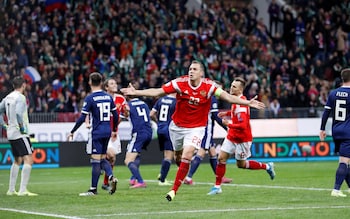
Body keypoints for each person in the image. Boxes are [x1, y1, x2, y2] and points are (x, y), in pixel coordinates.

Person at [121, 60, 265, 201]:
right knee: (178, 157)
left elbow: (227, 97)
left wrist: (248, 102)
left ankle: (173, 190)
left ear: (201, 73)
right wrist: (137, 92)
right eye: (190, 69)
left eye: (194, 69)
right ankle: (181, 169)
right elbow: (158, 92)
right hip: (177, 127)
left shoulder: (209, 86)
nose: (191, 71)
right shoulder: (179, 83)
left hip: (197, 128)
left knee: (188, 154)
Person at [207, 77, 275, 195]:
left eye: (234, 87)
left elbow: (243, 125)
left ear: (240, 90)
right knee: (221, 158)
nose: (230, 88)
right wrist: (227, 113)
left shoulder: (241, 104)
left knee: (241, 164)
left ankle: (267, 167)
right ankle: (217, 187)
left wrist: (229, 124)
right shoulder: (236, 100)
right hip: (232, 136)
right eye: (231, 85)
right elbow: (235, 112)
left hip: (243, 139)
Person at [68, 72, 119, 196]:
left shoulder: (90, 98)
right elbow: (116, 115)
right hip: (107, 131)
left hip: (97, 132)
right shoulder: (108, 97)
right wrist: (113, 129)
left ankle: (93, 189)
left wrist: (72, 131)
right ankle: (111, 177)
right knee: (102, 158)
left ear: (90, 83)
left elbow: (82, 118)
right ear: (101, 83)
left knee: (95, 161)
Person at [0, 76, 38, 196]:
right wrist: (22, 127)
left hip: (10, 132)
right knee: (29, 159)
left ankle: (11, 190)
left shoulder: (7, 97)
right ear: (23, 85)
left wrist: (4, 125)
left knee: (17, 160)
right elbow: (18, 113)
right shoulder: (21, 97)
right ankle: (22, 190)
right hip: (20, 133)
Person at [184, 96, 232, 185]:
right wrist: (227, 127)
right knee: (201, 152)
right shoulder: (212, 98)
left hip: (199, 127)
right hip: (206, 130)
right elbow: (215, 116)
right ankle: (188, 177)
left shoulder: (201, 96)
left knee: (212, 153)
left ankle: (220, 177)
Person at [319, 68, 350, 197]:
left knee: (346, 160)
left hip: (336, 131)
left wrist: (322, 129)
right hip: (348, 131)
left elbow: (326, 112)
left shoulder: (333, 93)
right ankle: (336, 190)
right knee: (344, 161)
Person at [101, 78, 129, 191]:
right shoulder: (102, 98)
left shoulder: (120, 99)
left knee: (112, 159)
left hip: (114, 133)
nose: (115, 85)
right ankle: (100, 166)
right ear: (106, 87)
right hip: (103, 132)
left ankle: (105, 183)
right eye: (112, 83)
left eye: (115, 83)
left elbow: (123, 116)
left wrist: (126, 112)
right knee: (110, 155)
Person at [125, 92, 153, 188]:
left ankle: (140, 181)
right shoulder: (144, 103)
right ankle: (133, 179)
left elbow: (123, 116)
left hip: (139, 133)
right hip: (149, 132)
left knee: (128, 160)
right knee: (136, 156)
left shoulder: (128, 105)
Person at [150, 93, 176, 186]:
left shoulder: (160, 100)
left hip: (160, 129)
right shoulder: (176, 102)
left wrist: (158, 122)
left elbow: (151, 114)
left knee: (166, 154)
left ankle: (162, 174)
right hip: (170, 129)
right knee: (169, 155)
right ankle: (162, 180)